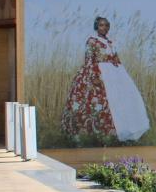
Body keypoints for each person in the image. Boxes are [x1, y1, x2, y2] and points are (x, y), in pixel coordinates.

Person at [61, 16, 150, 144]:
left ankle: (122, 130)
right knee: (99, 99)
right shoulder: (92, 41)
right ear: (97, 27)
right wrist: (94, 76)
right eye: (101, 25)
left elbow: (116, 58)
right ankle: (91, 133)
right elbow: (89, 59)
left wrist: (122, 74)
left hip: (115, 72)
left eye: (106, 25)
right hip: (99, 71)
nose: (104, 28)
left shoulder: (111, 42)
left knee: (124, 98)